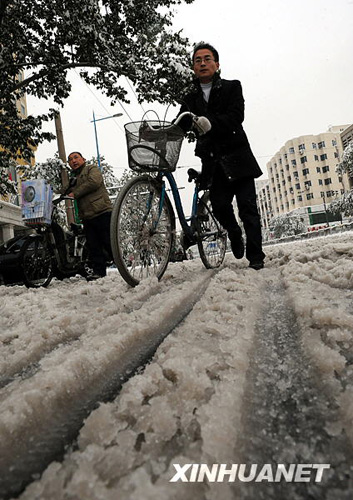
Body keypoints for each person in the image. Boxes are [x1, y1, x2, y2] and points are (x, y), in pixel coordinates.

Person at [178, 43, 265, 270]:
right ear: (193, 67)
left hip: (238, 157)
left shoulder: (232, 87)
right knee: (219, 206)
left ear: (217, 64)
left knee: (248, 209)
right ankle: (234, 232)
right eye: (198, 60)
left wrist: (211, 123)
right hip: (213, 162)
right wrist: (161, 132)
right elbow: (180, 124)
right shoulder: (190, 99)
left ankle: (256, 256)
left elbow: (237, 116)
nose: (203, 63)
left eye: (207, 59)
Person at [66, 152, 113, 280]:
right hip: (87, 216)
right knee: (93, 245)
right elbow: (66, 190)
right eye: (70, 160)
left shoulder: (91, 169)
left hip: (102, 210)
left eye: (76, 157)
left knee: (108, 241)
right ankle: (99, 272)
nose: (73, 161)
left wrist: (74, 193)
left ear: (83, 159)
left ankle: (122, 266)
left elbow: (94, 182)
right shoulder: (73, 178)